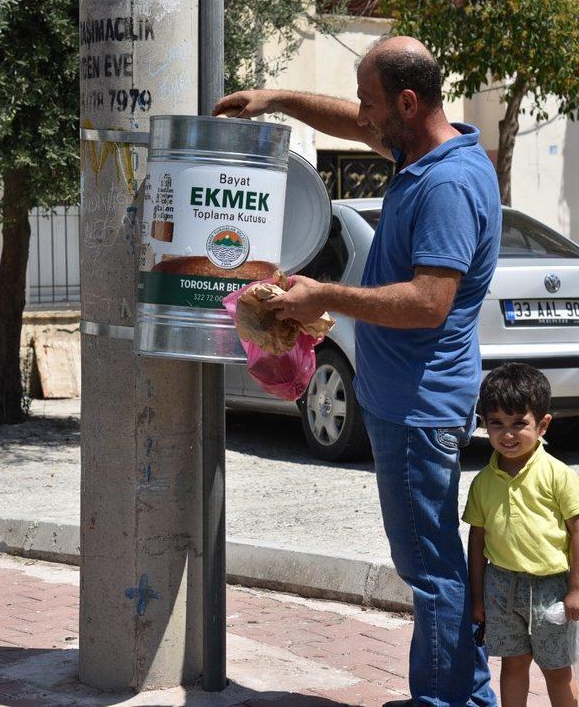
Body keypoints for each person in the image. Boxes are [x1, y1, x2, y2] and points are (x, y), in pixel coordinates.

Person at [214, 35, 501, 707]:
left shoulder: (449, 183)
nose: (363, 117)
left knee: (431, 571)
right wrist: (276, 98)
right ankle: (457, 693)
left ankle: (451, 701)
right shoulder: (426, 149)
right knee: (432, 565)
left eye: (374, 104)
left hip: (417, 405)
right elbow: (349, 119)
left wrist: (324, 296)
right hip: (408, 399)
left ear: (408, 101)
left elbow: (430, 303)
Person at [463, 363, 579, 707]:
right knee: (512, 665)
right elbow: (477, 541)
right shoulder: (483, 482)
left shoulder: (558, 475)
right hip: (501, 588)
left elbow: (576, 530)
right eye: (496, 423)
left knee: (557, 669)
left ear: (542, 424)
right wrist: (479, 598)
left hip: (552, 589)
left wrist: (575, 588)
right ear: (485, 424)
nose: (507, 434)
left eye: (519, 423)